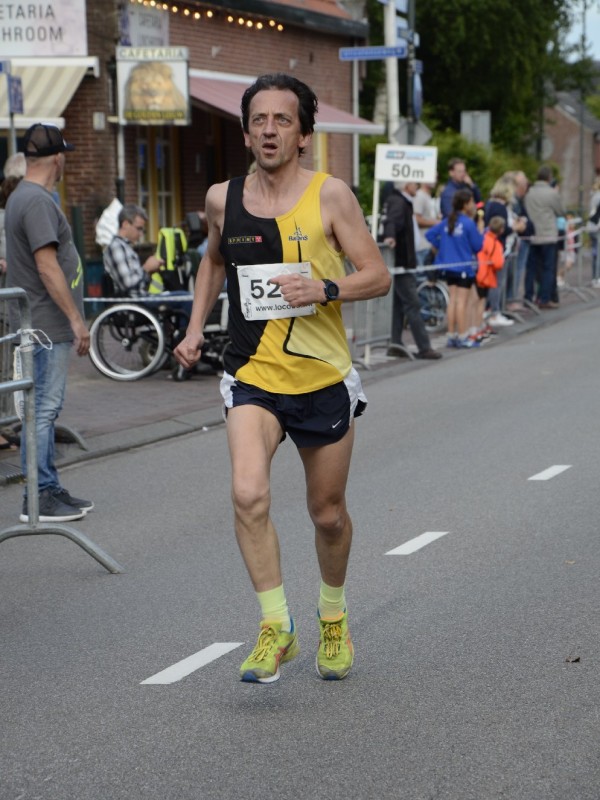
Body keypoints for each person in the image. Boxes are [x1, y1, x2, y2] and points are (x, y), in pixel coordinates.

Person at [174, 73, 391, 683]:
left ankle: (333, 616)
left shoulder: (330, 196)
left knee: (327, 513)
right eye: (259, 120)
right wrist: (194, 329)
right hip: (252, 375)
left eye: (283, 120)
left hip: (321, 377)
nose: (269, 130)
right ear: (246, 133)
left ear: (303, 135)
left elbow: (377, 275)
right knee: (248, 494)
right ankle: (276, 625)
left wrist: (325, 288)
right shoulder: (223, 199)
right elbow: (213, 261)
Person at [4, 123, 92, 522]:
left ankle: (48, 486)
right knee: (42, 411)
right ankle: (38, 496)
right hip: (45, 325)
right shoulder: (37, 201)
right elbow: (47, 265)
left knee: (41, 410)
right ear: (57, 159)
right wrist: (76, 320)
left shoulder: (22, 196)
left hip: (37, 322)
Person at [382, 181, 441, 359]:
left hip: (402, 261)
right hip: (402, 262)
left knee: (399, 304)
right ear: (406, 185)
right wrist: (390, 236)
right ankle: (424, 347)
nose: (417, 185)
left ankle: (395, 343)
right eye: (415, 183)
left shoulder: (401, 200)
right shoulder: (399, 201)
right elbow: (391, 221)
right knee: (412, 304)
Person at [426, 188, 484, 349]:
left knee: (453, 301)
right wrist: (480, 230)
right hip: (463, 267)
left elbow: (430, 234)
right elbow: (478, 246)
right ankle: (463, 335)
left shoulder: (448, 221)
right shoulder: (468, 223)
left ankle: (451, 335)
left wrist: (442, 246)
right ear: (465, 204)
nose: (474, 205)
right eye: (472, 202)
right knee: (461, 302)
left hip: (448, 266)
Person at [0, 153, 27, 452]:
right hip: (7, 305)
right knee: (6, 369)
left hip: (14, 305)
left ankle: (10, 423)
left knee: (11, 367)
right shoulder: (9, 215)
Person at [523, 166, 566, 309]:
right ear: (549, 177)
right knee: (548, 268)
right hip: (548, 235)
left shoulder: (529, 193)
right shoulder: (551, 193)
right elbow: (560, 211)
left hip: (532, 234)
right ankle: (544, 298)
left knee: (531, 268)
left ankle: (528, 296)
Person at [103, 204, 164, 297]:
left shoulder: (125, 247)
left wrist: (150, 272)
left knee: (181, 295)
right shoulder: (116, 247)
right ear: (125, 224)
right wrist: (146, 268)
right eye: (139, 228)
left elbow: (139, 284)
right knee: (183, 298)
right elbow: (128, 284)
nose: (141, 234)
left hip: (142, 297)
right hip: (134, 301)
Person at [474, 216, 506, 341]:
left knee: (478, 301)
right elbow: (498, 263)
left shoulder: (483, 238)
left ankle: (479, 326)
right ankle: (479, 327)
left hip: (479, 273)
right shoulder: (495, 243)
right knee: (481, 302)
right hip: (486, 275)